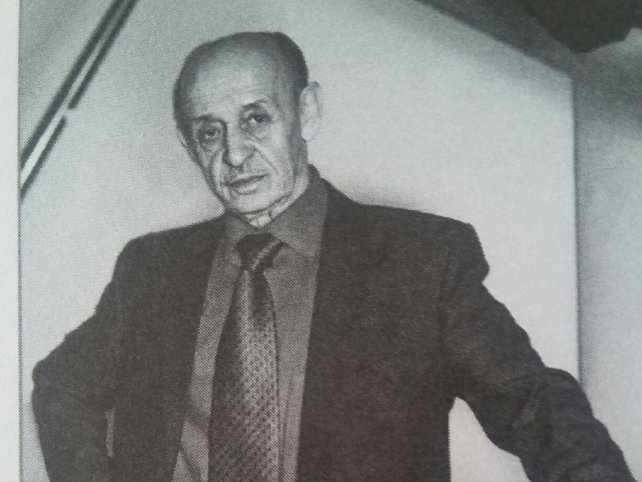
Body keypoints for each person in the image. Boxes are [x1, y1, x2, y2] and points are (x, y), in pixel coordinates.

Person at [32, 31, 634, 482]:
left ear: (307, 112)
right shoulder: (152, 269)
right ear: (189, 144)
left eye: (256, 119)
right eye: (210, 131)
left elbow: (535, 407)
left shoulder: (420, 262)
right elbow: (61, 384)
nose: (234, 154)